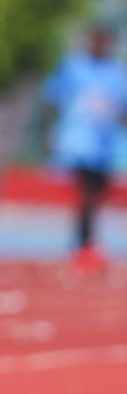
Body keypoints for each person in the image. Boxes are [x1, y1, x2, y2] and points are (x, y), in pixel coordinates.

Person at [41, 26, 127, 272]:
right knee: (86, 192)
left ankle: (86, 241)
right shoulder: (73, 66)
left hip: (105, 145)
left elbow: (121, 108)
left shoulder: (115, 72)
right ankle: (84, 245)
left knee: (99, 193)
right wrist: (48, 134)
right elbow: (52, 97)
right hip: (78, 142)